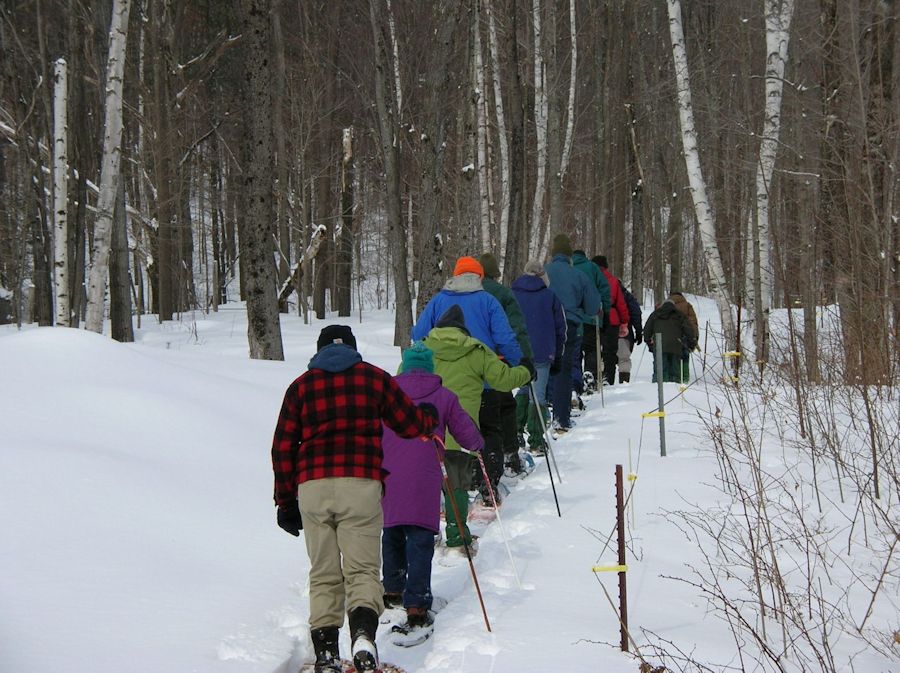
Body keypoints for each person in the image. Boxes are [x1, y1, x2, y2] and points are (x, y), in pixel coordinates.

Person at [271, 325, 438, 673]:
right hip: (360, 483)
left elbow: (283, 447)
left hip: (313, 487)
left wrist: (285, 501)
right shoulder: (374, 379)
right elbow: (407, 424)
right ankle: (363, 636)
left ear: (318, 351)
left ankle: (327, 655)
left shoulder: (301, 387)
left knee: (323, 572)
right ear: (352, 348)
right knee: (362, 569)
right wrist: (427, 422)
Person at [381, 342, 483, 641]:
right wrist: (478, 446)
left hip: (389, 474)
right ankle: (417, 604)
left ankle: (392, 588)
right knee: (420, 539)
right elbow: (464, 430)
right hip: (425, 476)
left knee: (393, 531)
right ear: (430, 368)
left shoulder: (386, 396)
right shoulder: (444, 396)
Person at [423, 305, 533, 553]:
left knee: (427, 482)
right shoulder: (475, 350)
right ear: (463, 329)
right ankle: (457, 535)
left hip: (424, 432)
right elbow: (502, 380)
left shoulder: (422, 349)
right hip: (459, 430)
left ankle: (427, 532)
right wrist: (525, 371)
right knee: (457, 483)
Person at [476, 252, 534, 489]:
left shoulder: (464, 294)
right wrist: (524, 359)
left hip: (469, 363)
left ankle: (478, 463)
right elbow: (516, 328)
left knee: (479, 412)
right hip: (499, 359)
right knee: (505, 407)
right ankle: (510, 456)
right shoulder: (502, 294)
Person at [411, 256, 522, 366]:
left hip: (445, 372)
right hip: (482, 372)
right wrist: (519, 364)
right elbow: (505, 339)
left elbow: (419, 334)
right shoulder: (489, 301)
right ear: (480, 277)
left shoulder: (438, 300)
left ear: (456, 275)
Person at [544, 234, 602, 433]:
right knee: (564, 369)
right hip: (569, 325)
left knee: (542, 368)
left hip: (544, 324)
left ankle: (540, 416)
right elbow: (593, 306)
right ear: (569, 256)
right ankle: (561, 418)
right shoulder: (578, 275)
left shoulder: (543, 273)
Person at [511, 259, 566, 455]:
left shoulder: (513, 293)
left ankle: (515, 432)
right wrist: (558, 355)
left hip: (518, 352)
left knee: (524, 390)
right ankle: (535, 439)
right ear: (542, 275)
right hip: (543, 352)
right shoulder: (549, 296)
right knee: (539, 396)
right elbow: (561, 329)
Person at [571, 250, 610, 395]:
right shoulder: (593, 268)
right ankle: (590, 374)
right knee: (592, 348)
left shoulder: (568, 268)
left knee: (574, 350)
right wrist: (605, 311)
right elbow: (604, 289)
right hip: (592, 317)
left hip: (572, 317)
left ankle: (576, 380)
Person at [592, 255, 629, 386]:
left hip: (593, 318)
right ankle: (609, 378)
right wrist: (624, 321)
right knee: (610, 352)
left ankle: (595, 378)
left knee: (594, 350)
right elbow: (621, 303)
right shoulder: (613, 281)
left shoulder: (590, 279)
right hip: (612, 319)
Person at [643, 301, 697, 382]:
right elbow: (688, 330)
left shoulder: (655, 314)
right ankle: (674, 387)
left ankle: (659, 385)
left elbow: (647, 329)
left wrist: (648, 342)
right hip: (676, 346)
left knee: (660, 371)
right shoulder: (679, 315)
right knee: (675, 371)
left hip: (659, 346)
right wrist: (691, 343)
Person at [668, 291, 699, 382]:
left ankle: (675, 377)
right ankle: (685, 377)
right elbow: (693, 322)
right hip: (686, 334)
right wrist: (694, 336)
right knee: (685, 356)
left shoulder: (667, 306)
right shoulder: (687, 306)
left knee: (674, 356)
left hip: (672, 335)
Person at [618, 283, 643, 383]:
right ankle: (623, 382)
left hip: (604, 331)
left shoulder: (603, 292)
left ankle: (603, 383)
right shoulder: (627, 296)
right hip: (624, 331)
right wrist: (638, 332)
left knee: (603, 358)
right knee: (624, 358)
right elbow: (636, 313)